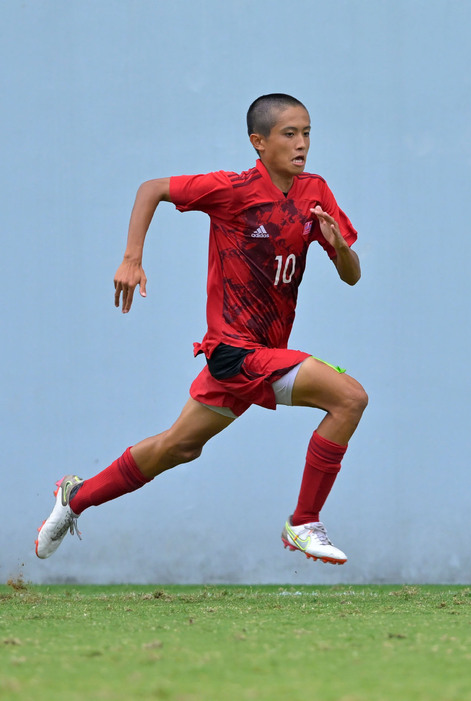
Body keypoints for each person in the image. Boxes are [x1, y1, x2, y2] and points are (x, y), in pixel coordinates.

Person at [35, 93, 367, 565]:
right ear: (259, 142)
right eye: (289, 134)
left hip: (262, 353)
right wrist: (132, 258)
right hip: (234, 351)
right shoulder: (232, 190)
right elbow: (152, 188)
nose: (302, 144)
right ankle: (304, 521)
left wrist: (340, 248)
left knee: (178, 447)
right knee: (350, 398)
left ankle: (76, 497)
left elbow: (352, 275)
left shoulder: (315, 191)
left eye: (307, 133)